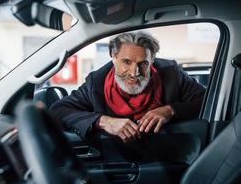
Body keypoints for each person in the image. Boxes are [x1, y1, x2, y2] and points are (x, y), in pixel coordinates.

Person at [49, 31, 205, 142]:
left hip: (170, 158)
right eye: (127, 62)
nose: (134, 72)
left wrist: (170, 110)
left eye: (143, 64)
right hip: (118, 164)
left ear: (152, 60)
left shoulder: (171, 74)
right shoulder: (96, 83)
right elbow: (58, 111)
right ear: (113, 56)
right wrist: (104, 121)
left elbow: (207, 99)